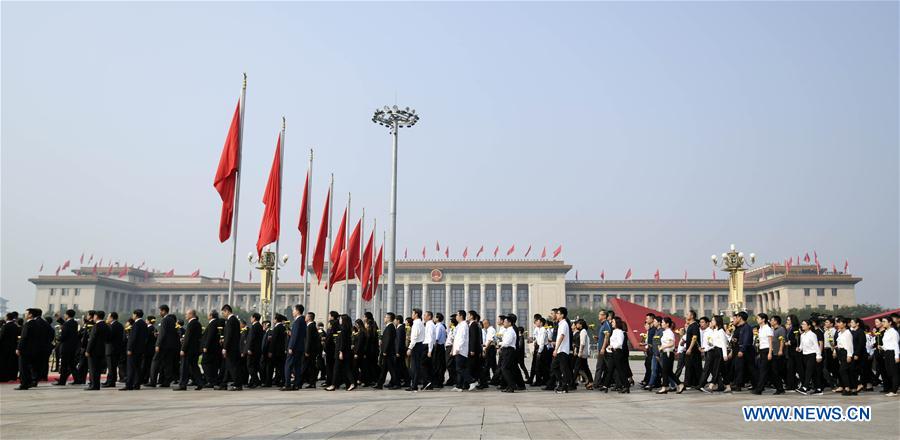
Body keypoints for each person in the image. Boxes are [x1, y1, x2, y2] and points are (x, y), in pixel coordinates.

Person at [15, 309, 48, 390]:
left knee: (23, 368)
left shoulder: (28, 324)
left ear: (30, 315)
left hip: (25, 350)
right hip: (34, 350)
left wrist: (19, 348)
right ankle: (30, 382)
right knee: (31, 367)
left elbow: (24, 338)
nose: (25, 315)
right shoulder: (37, 324)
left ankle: (24, 384)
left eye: (26, 313)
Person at [175, 309, 203, 391]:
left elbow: (188, 338)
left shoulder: (191, 324)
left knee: (184, 367)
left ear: (191, 314)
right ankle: (199, 383)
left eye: (187, 314)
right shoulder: (198, 323)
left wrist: (183, 349)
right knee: (194, 367)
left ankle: (182, 385)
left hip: (188, 350)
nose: (185, 315)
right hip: (195, 349)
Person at [120, 309, 148, 391]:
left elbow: (133, 338)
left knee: (131, 368)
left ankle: (129, 385)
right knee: (137, 368)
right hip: (140, 350)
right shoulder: (144, 324)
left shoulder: (136, 324)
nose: (132, 316)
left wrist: (129, 348)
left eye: (133, 314)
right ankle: (136, 384)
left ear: (136, 315)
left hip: (134, 350)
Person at [326, 314, 355, 391]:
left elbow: (343, 342)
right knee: (346, 368)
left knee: (336, 369)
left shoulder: (344, 329)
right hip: (344, 352)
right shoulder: (346, 329)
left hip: (341, 352)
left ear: (344, 320)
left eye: (341, 319)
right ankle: (351, 383)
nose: (339, 320)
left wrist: (341, 352)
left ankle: (333, 385)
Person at [283, 304, 306, 391]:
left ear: (297, 311)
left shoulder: (297, 321)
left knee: (288, 365)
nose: (293, 312)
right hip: (300, 347)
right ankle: (296, 384)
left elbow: (295, 336)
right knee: (297, 367)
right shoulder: (303, 321)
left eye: (294, 310)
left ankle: (287, 384)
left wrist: (291, 347)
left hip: (294, 347)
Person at [84, 310, 109, 391]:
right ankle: (96, 384)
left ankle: (94, 385)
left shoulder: (96, 326)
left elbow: (92, 339)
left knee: (93, 369)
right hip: (102, 350)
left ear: (97, 316)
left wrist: (88, 350)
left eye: (94, 316)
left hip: (94, 351)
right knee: (97, 369)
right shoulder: (106, 325)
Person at [53, 310, 79, 386]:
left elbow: (64, 335)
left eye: (65, 314)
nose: (64, 315)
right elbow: (66, 324)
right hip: (72, 347)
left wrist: (58, 338)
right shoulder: (74, 323)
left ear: (67, 315)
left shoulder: (67, 324)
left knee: (64, 365)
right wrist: (59, 319)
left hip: (66, 347)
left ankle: (62, 381)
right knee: (71, 364)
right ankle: (77, 379)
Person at [798, 319, 823, 395]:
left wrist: (818, 355)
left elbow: (816, 345)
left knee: (808, 371)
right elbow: (801, 346)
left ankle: (805, 387)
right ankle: (818, 389)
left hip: (812, 355)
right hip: (805, 355)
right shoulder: (802, 335)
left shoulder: (812, 335)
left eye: (804, 324)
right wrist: (799, 348)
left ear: (809, 326)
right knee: (814, 373)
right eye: (802, 324)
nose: (802, 325)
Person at [452, 310, 474, 391]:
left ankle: (472, 381)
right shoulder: (460, 325)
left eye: (457, 315)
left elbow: (462, 338)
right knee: (460, 368)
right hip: (458, 350)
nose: (456, 317)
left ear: (461, 316)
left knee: (459, 368)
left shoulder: (464, 325)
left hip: (461, 350)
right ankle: (459, 386)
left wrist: (458, 348)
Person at [551, 307, 572, 394]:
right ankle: (562, 383)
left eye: (558, 313)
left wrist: (556, 348)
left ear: (562, 315)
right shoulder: (560, 324)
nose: (556, 314)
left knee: (563, 369)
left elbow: (562, 336)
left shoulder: (564, 324)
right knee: (554, 367)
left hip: (562, 350)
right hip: (560, 349)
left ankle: (564, 386)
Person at [657, 317, 679, 394]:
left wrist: (663, 347)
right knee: (668, 372)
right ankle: (680, 384)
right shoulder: (665, 332)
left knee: (665, 371)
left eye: (663, 322)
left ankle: (664, 387)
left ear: (667, 324)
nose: (661, 323)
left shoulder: (669, 332)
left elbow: (672, 343)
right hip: (665, 353)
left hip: (668, 353)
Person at [878, 317, 899, 396]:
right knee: (889, 372)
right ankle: (892, 389)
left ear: (890, 322)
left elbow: (895, 345)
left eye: (884, 321)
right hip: (887, 353)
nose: (882, 323)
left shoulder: (893, 332)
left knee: (894, 373)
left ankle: (894, 391)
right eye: (882, 321)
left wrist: (896, 356)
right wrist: (882, 347)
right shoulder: (886, 332)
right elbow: (887, 344)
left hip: (892, 353)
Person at [497, 314, 518, 393]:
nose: (504, 323)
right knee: (506, 369)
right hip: (506, 350)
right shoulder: (507, 330)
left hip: (508, 350)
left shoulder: (510, 331)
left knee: (505, 368)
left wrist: (499, 344)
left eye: (505, 322)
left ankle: (511, 386)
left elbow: (507, 343)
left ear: (509, 323)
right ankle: (509, 386)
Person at [835, 317, 856, 395]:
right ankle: (853, 389)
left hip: (846, 352)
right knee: (849, 371)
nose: (838, 324)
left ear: (844, 324)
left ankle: (847, 388)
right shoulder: (840, 333)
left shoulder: (847, 333)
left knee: (842, 370)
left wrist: (849, 355)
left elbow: (849, 345)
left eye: (840, 323)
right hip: (841, 352)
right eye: (838, 323)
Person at [103, 312, 125, 387]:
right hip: (116, 349)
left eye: (108, 317)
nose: (107, 318)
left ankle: (111, 382)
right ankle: (109, 381)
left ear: (112, 318)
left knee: (111, 367)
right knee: (112, 367)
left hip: (111, 349)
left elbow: (109, 337)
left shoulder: (112, 326)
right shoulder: (119, 325)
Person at [377, 312, 397, 389]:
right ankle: (379, 384)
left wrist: (384, 351)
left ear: (389, 318)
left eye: (385, 317)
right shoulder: (389, 327)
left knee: (391, 369)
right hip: (387, 351)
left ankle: (396, 383)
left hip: (388, 352)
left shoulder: (390, 327)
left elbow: (388, 340)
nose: (384, 318)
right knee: (384, 369)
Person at [406, 309, 425, 392]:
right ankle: (414, 384)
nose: (412, 315)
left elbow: (414, 337)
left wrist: (410, 348)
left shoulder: (416, 324)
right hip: (419, 345)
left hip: (416, 346)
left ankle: (414, 385)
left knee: (414, 367)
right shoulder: (420, 323)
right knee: (416, 367)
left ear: (416, 314)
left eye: (413, 313)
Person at [682, 310, 702, 391]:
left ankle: (689, 383)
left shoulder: (694, 326)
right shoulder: (690, 326)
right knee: (691, 367)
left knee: (693, 367)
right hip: (690, 349)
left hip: (693, 350)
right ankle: (694, 383)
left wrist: (690, 348)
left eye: (688, 314)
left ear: (692, 316)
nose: (686, 315)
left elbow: (694, 338)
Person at [573, 319, 593, 389]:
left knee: (576, 368)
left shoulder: (583, 331)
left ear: (581, 325)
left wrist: (580, 352)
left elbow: (582, 343)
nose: (576, 325)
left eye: (578, 324)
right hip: (582, 353)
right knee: (585, 368)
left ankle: (572, 382)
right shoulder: (582, 331)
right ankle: (590, 382)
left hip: (581, 353)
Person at [432, 313, 448, 388]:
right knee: (439, 365)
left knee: (438, 365)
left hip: (438, 347)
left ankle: (438, 382)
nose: (433, 318)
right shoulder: (441, 326)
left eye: (435, 317)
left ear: (438, 319)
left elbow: (436, 338)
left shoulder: (438, 327)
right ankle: (439, 381)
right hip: (440, 347)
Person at [421, 310, 436, 390]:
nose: (424, 317)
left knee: (423, 365)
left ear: (429, 316)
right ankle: (430, 383)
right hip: (428, 346)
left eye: (425, 315)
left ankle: (426, 382)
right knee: (428, 366)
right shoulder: (429, 324)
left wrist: (430, 350)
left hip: (427, 346)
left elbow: (430, 338)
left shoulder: (430, 325)